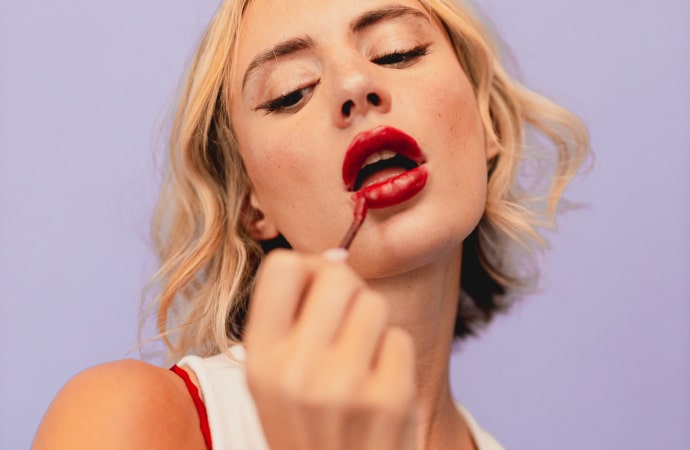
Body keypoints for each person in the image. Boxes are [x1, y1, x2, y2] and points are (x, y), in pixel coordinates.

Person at [32, 0, 589, 448]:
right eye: (291, 93)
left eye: (396, 51)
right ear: (252, 205)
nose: (354, 85)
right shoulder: (128, 419)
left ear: (488, 124)